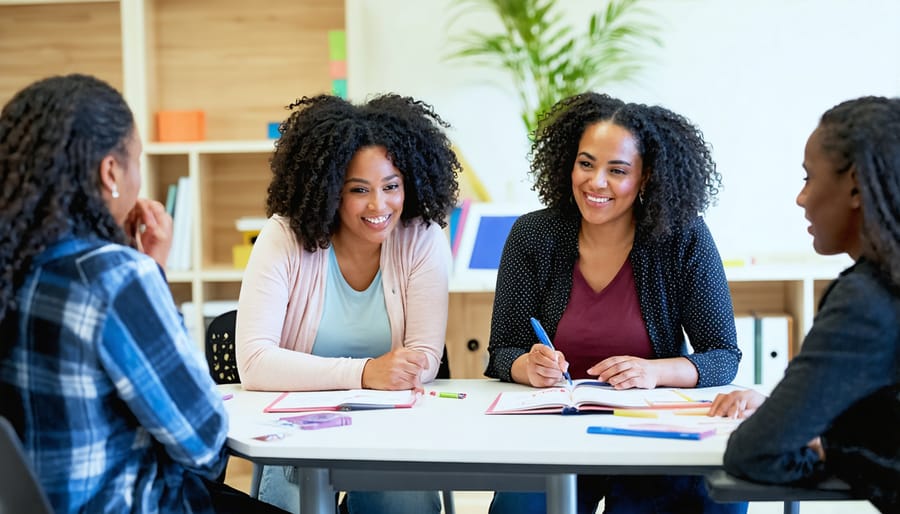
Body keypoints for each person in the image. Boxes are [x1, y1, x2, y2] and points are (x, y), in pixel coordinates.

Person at [0, 74, 286, 513]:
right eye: (137, 160)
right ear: (110, 172)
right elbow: (206, 445)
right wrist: (151, 273)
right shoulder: (114, 278)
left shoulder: (14, 266)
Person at [484, 92, 746, 514]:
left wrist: (652, 372)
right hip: (552, 432)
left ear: (645, 179)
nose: (596, 182)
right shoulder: (532, 236)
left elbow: (723, 357)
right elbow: (502, 353)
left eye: (617, 170)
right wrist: (526, 366)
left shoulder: (682, 237)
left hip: (648, 431)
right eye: (586, 163)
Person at [235, 93, 460, 514]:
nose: (380, 206)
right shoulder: (284, 238)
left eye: (391, 186)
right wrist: (365, 372)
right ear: (328, 189)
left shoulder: (421, 237)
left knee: (405, 504)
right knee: (296, 498)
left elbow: (426, 356)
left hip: (393, 426)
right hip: (298, 428)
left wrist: (398, 373)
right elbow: (254, 361)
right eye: (359, 190)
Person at [711, 96, 900, 513]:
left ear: (854, 185)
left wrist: (831, 450)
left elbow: (755, 452)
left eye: (808, 178)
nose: (801, 198)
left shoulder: (865, 300)